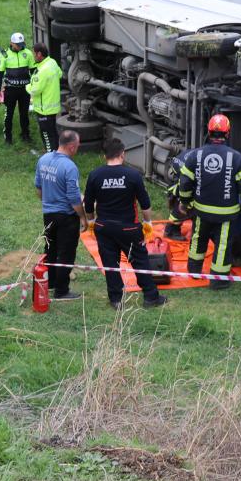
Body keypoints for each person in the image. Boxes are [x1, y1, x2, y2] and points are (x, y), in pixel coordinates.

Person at [84, 138, 167, 309]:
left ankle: (116, 299)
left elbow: (88, 204)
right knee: (140, 261)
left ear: (104, 155)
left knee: (109, 263)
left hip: (104, 227)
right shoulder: (133, 175)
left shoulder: (95, 175)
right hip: (128, 228)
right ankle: (151, 297)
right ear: (122, 154)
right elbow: (145, 204)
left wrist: (92, 222)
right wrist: (148, 223)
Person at [177, 114, 241, 290]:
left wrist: (185, 202)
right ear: (227, 134)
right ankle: (218, 280)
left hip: (201, 210)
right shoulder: (236, 157)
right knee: (222, 245)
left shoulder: (195, 155)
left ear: (209, 132)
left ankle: (194, 270)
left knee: (198, 238)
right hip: (226, 213)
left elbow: (185, 182)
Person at [35, 130, 88, 301]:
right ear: (72, 146)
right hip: (66, 217)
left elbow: (38, 187)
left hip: (48, 214)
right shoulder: (70, 167)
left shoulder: (43, 159)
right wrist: (82, 216)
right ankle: (61, 290)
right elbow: (73, 197)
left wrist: (48, 202)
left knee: (50, 249)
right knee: (66, 253)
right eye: (77, 146)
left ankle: (49, 283)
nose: (78, 149)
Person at [0, 32, 35, 145]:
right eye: (17, 44)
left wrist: (34, 87)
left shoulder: (28, 53)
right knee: (9, 114)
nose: (20, 46)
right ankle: (8, 137)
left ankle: (25, 135)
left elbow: (33, 71)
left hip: (24, 90)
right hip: (10, 90)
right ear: (11, 43)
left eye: (21, 44)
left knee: (24, 114)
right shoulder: (4, 55)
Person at [27, 43, 62, 153]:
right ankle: (57, 154)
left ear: (39, 54)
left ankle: (50, 157)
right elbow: (60, 74)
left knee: (46, 135)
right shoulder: (52, 62)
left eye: (34, 53)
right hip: (53, 107)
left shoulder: (42, 70)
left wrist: (27, 86)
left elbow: (34, 90)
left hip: (44, 109)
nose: (33, 56)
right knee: (53, 133)